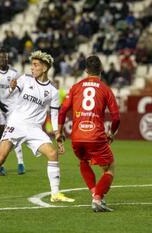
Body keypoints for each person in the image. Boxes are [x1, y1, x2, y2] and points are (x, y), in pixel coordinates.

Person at [0, 50, 74, 203]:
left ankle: (55, 194)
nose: (32, 68)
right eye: (31, 65)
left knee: (53, 154)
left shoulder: (53, 91)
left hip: (34, 128)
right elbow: (7, 97)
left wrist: (57, 133)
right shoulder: (25, 80)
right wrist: (11, 88)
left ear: (45, 68)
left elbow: (54, 115)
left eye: (35, 65)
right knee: (0, 158)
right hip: (16, 123)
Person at [57, 55, 120, 212]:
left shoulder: (76, 87)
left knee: (84, 161)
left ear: (85, 70)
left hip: (77, 136)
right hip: (96, 136)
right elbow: (116, 117)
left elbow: (63, 110)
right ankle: (97, 198)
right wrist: (112, 133)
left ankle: (94, 194)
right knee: (110, 167)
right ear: (101, 70)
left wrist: (58, 131)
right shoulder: (105, 89)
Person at [0, 48, 25, 175]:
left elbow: (19, 89)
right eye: (1, 57)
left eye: (5, 57)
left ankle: (21, 163)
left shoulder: (14, 73)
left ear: (8, 59)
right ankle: (0, 165)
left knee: (13, 133)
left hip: (12, 106)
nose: (3, 59)